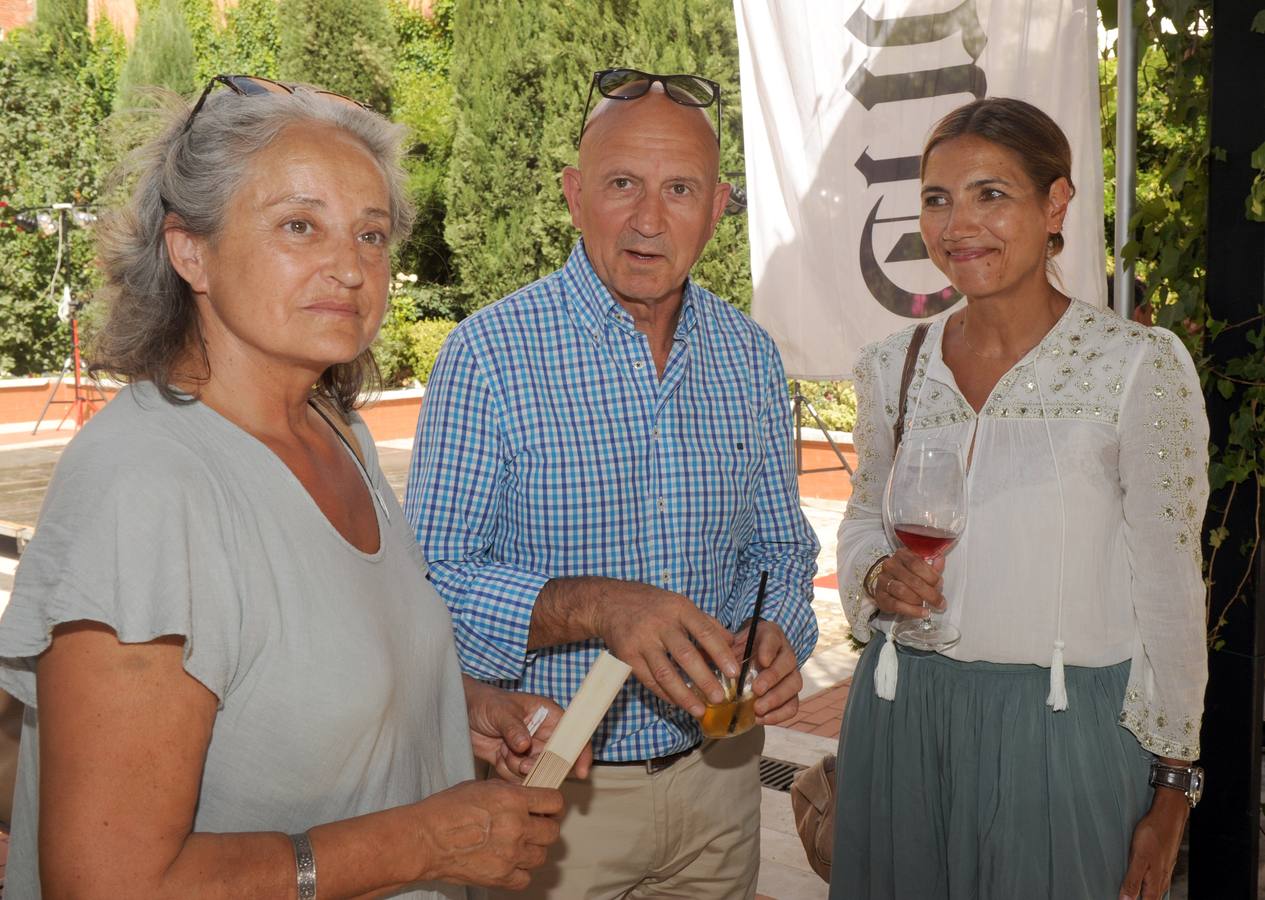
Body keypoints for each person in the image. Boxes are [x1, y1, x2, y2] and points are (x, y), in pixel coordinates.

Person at [0, 76, 588, 898]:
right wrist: (419, 845)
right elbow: (108, 884)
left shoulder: (330, 429)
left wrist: (454, 707)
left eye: (372, 235)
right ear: (189, 250)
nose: (349, 267)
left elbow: (283, 675)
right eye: (299, 225)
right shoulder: (144, 488)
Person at [407, 68, 819, 899]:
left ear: (716, 207)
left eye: (678, 190)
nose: (646, 219)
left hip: (723, 783)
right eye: (621, 184)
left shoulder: (748, 359)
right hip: (557, 798)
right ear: (573, 193)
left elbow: (779, 547)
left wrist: (773, 631)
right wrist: (596, 606)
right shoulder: (488, 356)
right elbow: (427, 586)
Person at [833, 97, 1208, 900]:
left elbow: (1172, 588)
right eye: (936, 198)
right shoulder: (890, 366)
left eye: (990, 194)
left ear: (1056, 204)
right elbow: (864, 516)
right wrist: (874, 576)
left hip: (1063, 734)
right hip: (902, 718)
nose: (957, 223)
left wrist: (1173, 786)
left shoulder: (1136, 365)